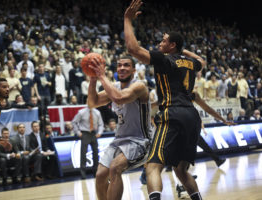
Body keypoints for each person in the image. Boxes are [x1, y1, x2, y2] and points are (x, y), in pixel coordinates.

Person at [124, 1, 206, 199]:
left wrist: (127, 19)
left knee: (152, 166)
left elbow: (133, 48)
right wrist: (183, 51)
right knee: (181, 170)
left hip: (173, 114)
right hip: (192, 117)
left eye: (164, 40)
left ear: (172, 45)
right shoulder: (190, 63)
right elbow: (202, 62)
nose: (160, 43)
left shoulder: (164, 59)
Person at [88, 55, 152, 200]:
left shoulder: (140, 86)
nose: (122, 68)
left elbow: (120, 98)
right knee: (100, 175)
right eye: (119, 65)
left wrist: (102, 76)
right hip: (120, 140)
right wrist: (93, 80)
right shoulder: (114, 87)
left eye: (126, 65)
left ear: (134, 70)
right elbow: (92, 102)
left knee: (115, 168)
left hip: (140, 140)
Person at [72, 104, 104, 179]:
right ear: (87, 102)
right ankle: (83, 174)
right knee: (83, 154)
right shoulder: (81, 112)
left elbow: (101, 124)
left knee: (96, 154)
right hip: (85, 133)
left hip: (93, 134)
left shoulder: (97, 112)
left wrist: (100, 132)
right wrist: (78, 132)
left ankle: (96, 172)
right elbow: (74, 122)